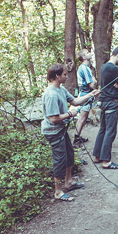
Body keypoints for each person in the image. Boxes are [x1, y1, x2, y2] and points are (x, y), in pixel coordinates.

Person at [41, 63, 100, 200]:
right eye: (64, 74)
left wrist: (91, 94)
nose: (67, 77)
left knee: (69, 155)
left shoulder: (60, 89)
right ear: (57, 76)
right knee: (60, 160)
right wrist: (69, 114)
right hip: (53, 132)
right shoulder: (50, 94)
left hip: (61, 129)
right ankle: (58, 192)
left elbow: (75, 101)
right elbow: (54, 118)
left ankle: (68, 183)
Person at [92, 46, 118, 169]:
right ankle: (106, 161)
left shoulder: (103, 67)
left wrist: (115, 85)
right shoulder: (113, 68)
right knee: (110, 131)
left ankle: (97, 156)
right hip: (111, 101)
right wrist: (117, 86)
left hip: (103, 101)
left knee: (103, 128)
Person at [74, 49, 98, 143]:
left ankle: (77, 136)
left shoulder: (84, 67)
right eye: (87, 53)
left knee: (84, 117)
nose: (90, 53)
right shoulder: (84, 68)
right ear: (84, 57)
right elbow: (92, 85)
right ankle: (76, 139)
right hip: (85, 94)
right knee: (82, 117)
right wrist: (94, 80)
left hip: (85, 93)